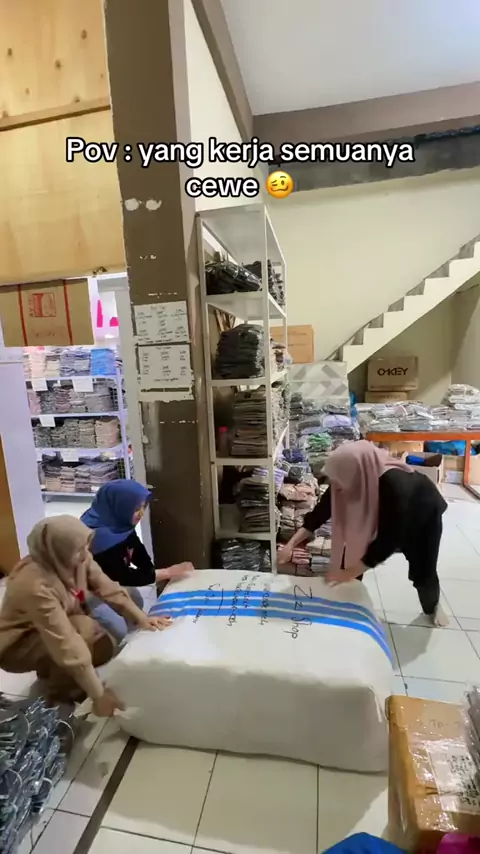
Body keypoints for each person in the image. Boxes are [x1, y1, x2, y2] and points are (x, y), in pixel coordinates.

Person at [0, 516, 171, 714]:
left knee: (101, 644)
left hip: (48, 629)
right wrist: (98, 694)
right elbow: (64, 641)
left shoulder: (77, 558)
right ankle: (59, 695)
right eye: (78, 550)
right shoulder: (34, 585)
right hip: (17, 645)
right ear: (58, 552)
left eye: (86, 545)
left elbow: (108, 589)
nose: (85, 553)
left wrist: (142, 619)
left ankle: (55, 672)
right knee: (82, 632)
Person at [278, 440, 448, 627]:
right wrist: (290, 545)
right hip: (383, 514)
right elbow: (319, 514)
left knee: (423, 572)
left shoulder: (395, 486)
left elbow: (385, 544)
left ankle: (433, 606)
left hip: (422, 516)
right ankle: (347, 606)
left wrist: (347, 574)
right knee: (351, 558)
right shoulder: (347, 476)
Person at [81, 480, 194, 590]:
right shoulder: (98, 537)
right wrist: (168, 572)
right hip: (92, 592)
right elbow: (122, 577)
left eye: (144, 506)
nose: (141, 513)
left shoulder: (119, 522)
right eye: (136, 509)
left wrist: (153, 572)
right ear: (120, 506)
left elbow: (137, 550)